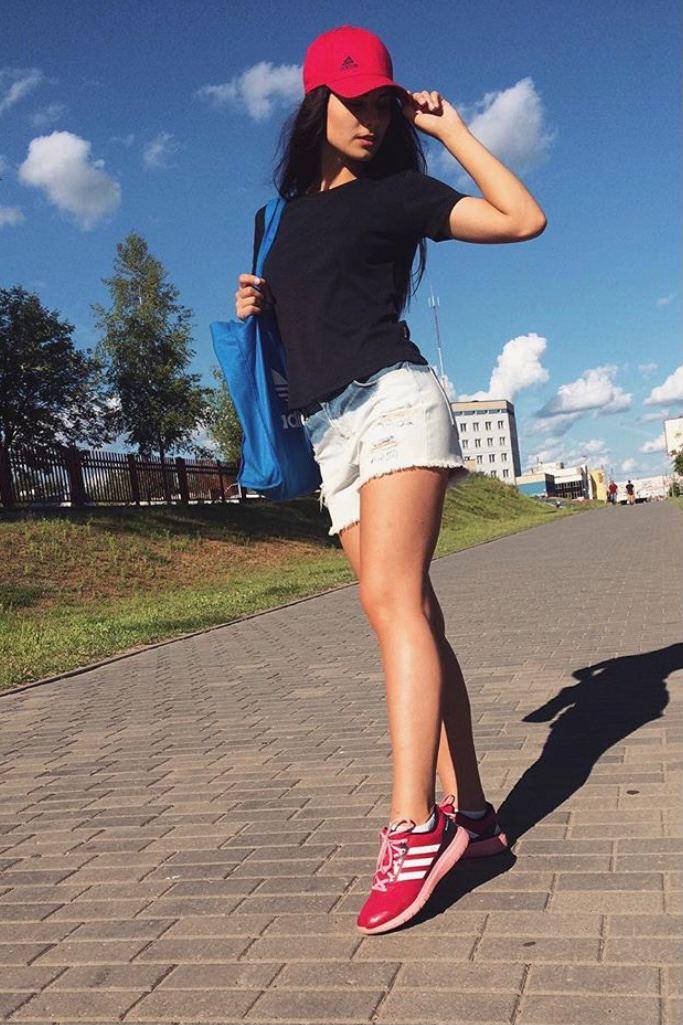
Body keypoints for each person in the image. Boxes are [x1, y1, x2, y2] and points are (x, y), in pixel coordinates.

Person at [235, 25, 547, 935]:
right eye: (353, 100)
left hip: (395, 402)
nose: (370, 117)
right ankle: (475, 818)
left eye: (382, 101)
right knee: (414, 615)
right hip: (329, 429)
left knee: (391, 601)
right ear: (314, 104)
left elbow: (521, 219)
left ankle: (414, 824)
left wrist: (450, 131)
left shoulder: (397, 194)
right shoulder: (276, 217)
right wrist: (257, 309)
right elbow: (300, 331)